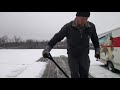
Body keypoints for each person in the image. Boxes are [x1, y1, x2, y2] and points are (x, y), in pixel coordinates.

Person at [42, 12, 100, 78]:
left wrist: (97, 50)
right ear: (77, 17)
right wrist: (48, 48)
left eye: (86, 19)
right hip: (73, 56)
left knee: (84, 74)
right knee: (75, 75)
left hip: (84, 56)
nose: (84, 21)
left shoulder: (91, 26)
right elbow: (57, 37)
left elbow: (95, 39)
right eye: (82, 19)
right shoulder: (68, 27)